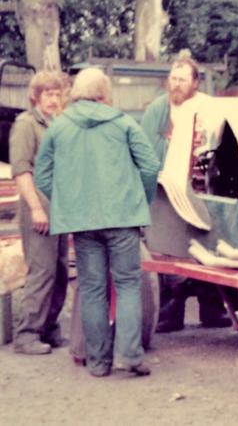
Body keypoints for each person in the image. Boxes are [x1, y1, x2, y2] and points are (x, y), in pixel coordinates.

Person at [35, 68, 161, 377]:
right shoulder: (124, 123)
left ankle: (98, 362)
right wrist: (140, 201)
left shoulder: (58, 127)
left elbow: (42, 176)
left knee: (92, 289)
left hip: (81, 222)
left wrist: (68, 203)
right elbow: (150, 166)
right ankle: (130, 357)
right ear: (105, 94)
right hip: (123, 218)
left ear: (75, 93)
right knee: (128, 284)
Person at [141, 57, 231, 333]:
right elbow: (147, 148)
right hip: (166, 188)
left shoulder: (206, 106)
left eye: (181, 79)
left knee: (208, 243)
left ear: (195, 82)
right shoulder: (159, 108)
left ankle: (212, 309)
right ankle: (170, 314)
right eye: (173, 78)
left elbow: (218, 141)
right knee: (169, 248)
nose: (175, 84)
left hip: (202, 185)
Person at [9, 71, 69, 355]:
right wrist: (35, 208)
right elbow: (20, 171)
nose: (54, 100)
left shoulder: (57, 124)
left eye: (58, 94)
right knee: (41, 271)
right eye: (48, 94)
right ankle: (27, 333)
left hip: (59, 208)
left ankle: (49, 327)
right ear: (36, 96)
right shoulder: (25, 125)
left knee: (59, 271)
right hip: (39, 206)